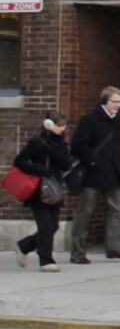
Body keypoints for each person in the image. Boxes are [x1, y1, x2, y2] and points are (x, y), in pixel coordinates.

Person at [69, 85, 120, 263]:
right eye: (115, 102)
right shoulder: (89, 120)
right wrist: (91, 161)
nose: (118, 106)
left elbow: (118, 147)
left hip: (114, 172)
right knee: (85, 211)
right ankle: (78, 251)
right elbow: (77, 145)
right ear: (104, 101)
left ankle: (114, 247)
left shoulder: (117, 122)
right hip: (93, 173)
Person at [13, 115, 75, 273]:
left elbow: (67, 164)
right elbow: (20, 161)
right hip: (38, 189)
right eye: (58, 126)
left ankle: (24, 246)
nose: (61, 129)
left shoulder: (61, 144)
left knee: (53, 226)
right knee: (46, 226)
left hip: (54, 189)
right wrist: (38, 169)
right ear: (48, 125)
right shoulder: (36, 143)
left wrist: (54, 149)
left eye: (63, 126)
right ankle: (46, 260)